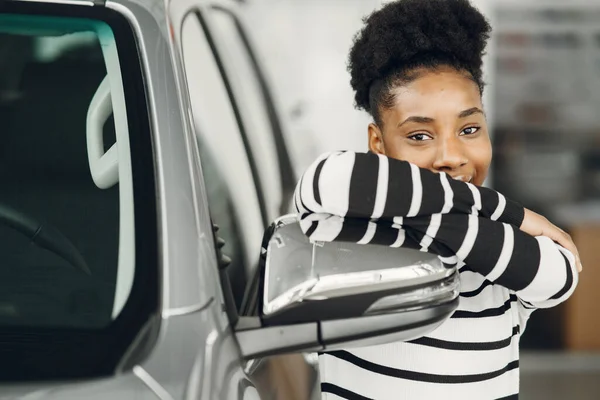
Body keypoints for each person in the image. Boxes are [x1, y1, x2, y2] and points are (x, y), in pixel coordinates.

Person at [294, 0, 581, 398]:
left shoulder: (504, 258)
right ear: (377, 143)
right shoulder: (344, 231)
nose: (450, 156)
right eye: (419, 136)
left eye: (469, 129)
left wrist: (470, 217)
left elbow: (559, 279)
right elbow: (327, 178)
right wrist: (506, 211)